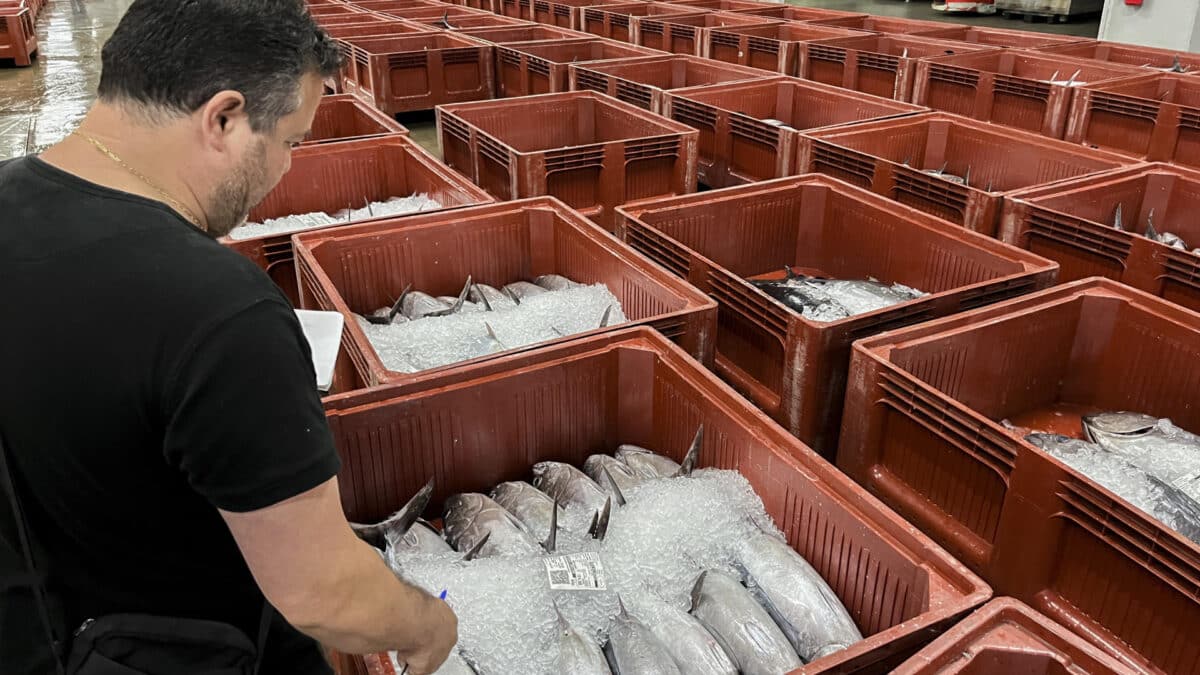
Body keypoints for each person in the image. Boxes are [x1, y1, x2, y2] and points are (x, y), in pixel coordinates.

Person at [0, 1, 457, 673]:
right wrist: (428, 622)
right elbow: (321, 591)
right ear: (224, 118)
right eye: (291, 142)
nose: (286, 171)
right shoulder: (221, 313)